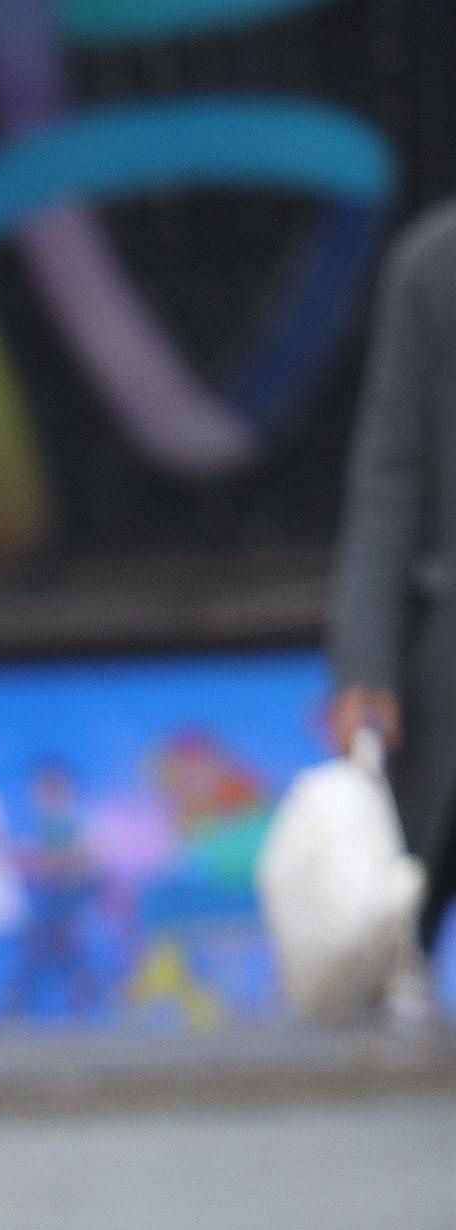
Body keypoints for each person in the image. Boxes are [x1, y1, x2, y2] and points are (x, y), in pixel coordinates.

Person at [327, 197, 456, 1030]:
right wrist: (366, 662)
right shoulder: (434, 266)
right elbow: (390, 476)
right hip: (445, 671)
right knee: (385, 959)